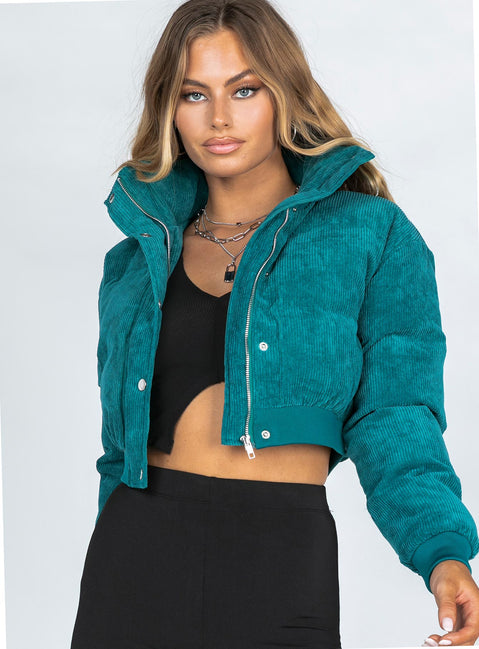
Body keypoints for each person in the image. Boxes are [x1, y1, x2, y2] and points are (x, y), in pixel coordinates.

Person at [70, 1, 479, 647]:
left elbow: (396, 412)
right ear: (169, 109)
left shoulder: (371, 235)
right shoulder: (136, 261)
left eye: (244, 89)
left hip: (280, 555)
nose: (219, 117)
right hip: (135, 557)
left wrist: (441, 550)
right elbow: (118, 451)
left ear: (283, 94)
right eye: (193, 94)